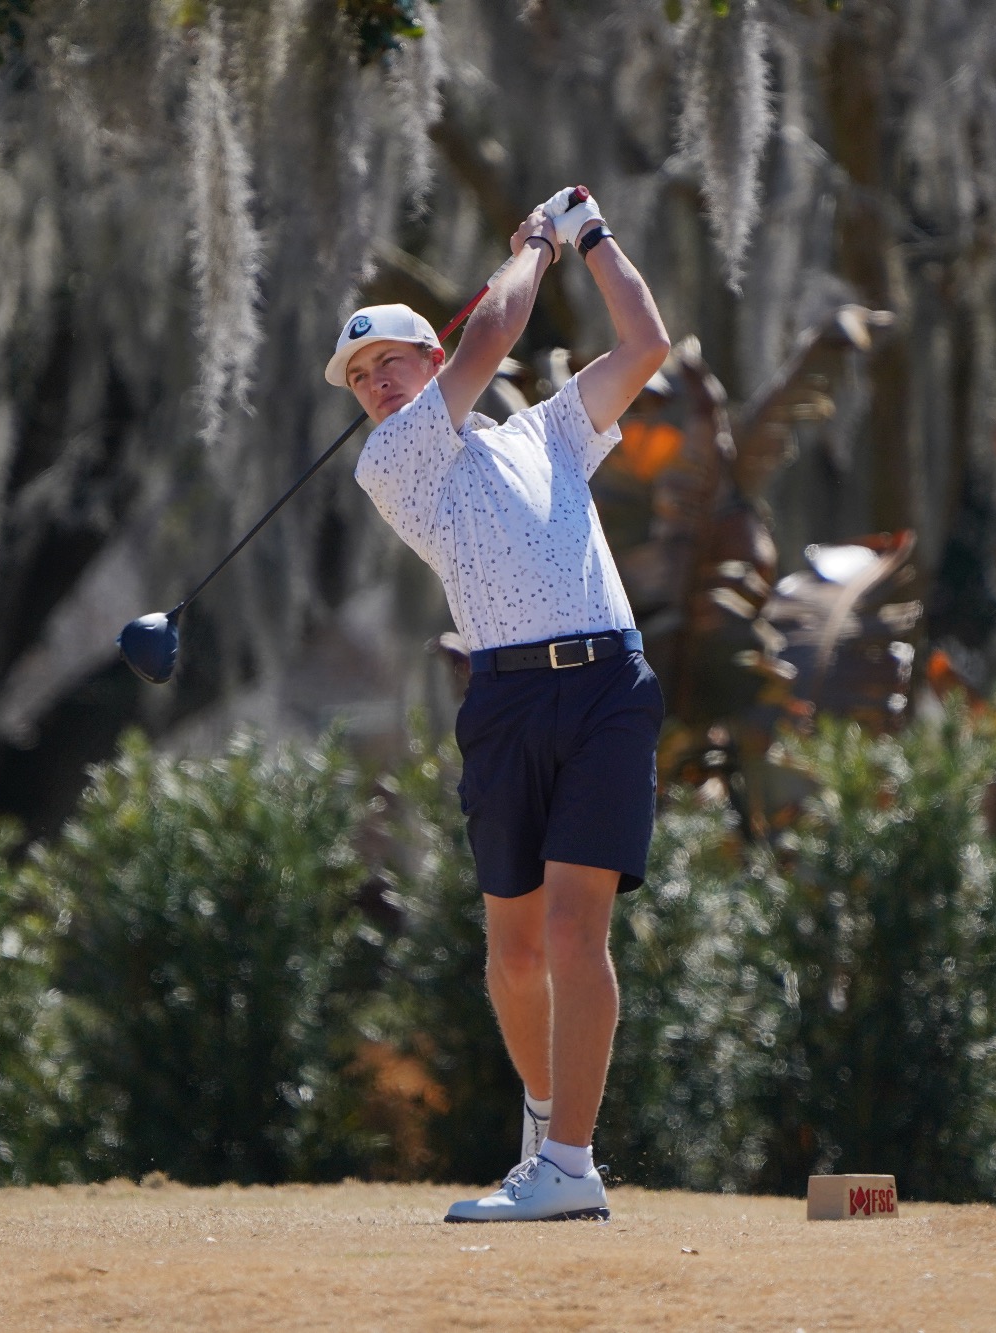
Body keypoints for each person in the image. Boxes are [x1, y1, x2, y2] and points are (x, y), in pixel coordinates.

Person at [332, 187, 670, 1222]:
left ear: (430, 363)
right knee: (513, 952)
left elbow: (645, 343)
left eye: (390, 361)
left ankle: (568, 1166)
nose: (375, 384)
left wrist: (592, 236)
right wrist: (531, 242)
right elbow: (498, 324)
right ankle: (541, 1121)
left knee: (575, 935)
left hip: (607, 686)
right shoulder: (391, 462)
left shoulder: (546, 433)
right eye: (358, 379)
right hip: (505, 701)